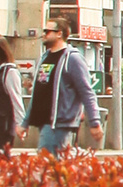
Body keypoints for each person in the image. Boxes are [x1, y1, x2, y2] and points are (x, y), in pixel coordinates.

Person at [31, 23, 101, 153]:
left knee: (51, 160)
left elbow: (86, 92)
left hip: (60, 123)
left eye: (47, 31)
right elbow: (37, 91)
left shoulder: (73, 58)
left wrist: (94, 121)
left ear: (59, 34)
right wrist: (24, 123)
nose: (43, 34)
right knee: (50, 160)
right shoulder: (45, 57)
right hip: (44, 121)